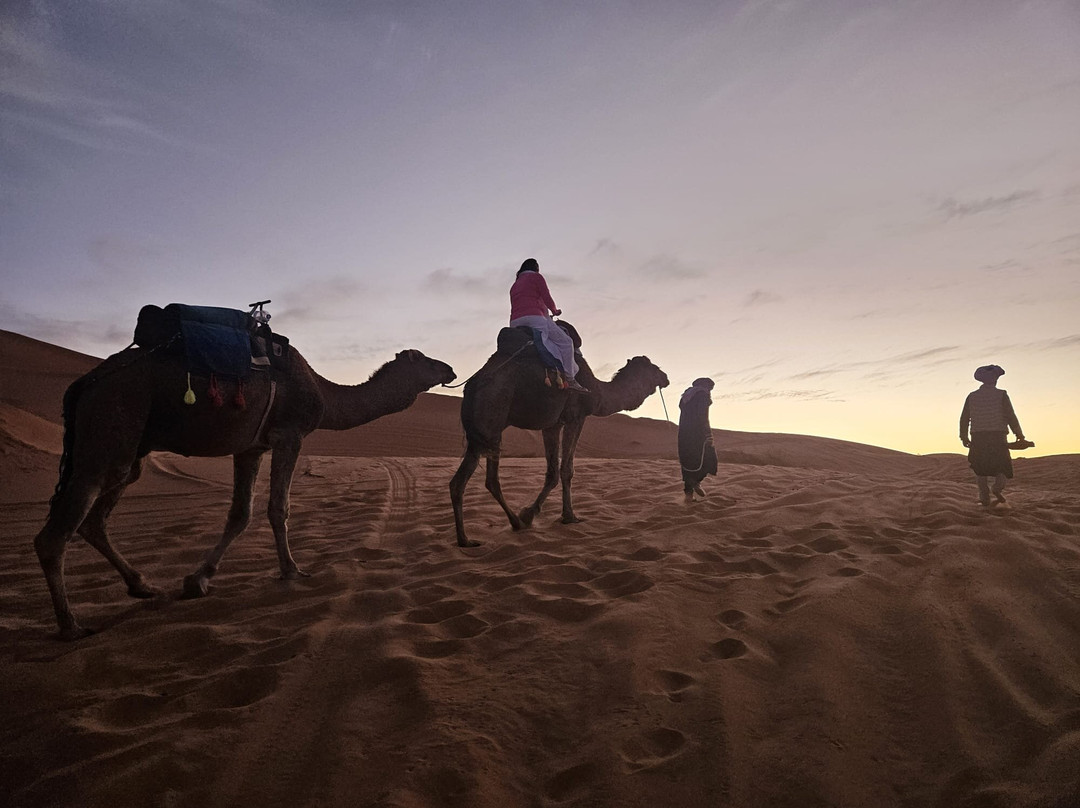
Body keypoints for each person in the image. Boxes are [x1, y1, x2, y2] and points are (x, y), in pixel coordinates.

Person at [509, 258, 587, 392]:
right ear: (536, 268)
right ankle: (570, 379)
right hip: (535, 319)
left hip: (515, 322)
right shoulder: (536, 277)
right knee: (566, 342)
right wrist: (555, 311)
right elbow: (546, 297)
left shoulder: (514, 285)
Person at [959, 364, 1028, 508]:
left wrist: (964, 437)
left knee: (980, 469)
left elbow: (964, 418)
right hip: (997, 436)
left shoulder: (972, 396)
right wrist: (1019, 434)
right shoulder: (1002, 394)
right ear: (995, 379)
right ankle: (997, 488)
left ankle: (984, 498)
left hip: (978, 436)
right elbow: (1011, 416)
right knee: (1003, 466)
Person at [679, 377, 718, 503]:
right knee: (709, 459)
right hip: (698, 434)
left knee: (688, 462)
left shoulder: (686, 396)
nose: (710, 390)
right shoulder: (702, 395)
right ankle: (696, 482)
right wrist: (707, 434)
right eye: (710, 387)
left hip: (685, 433)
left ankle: (688, 495)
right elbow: (703, 417)